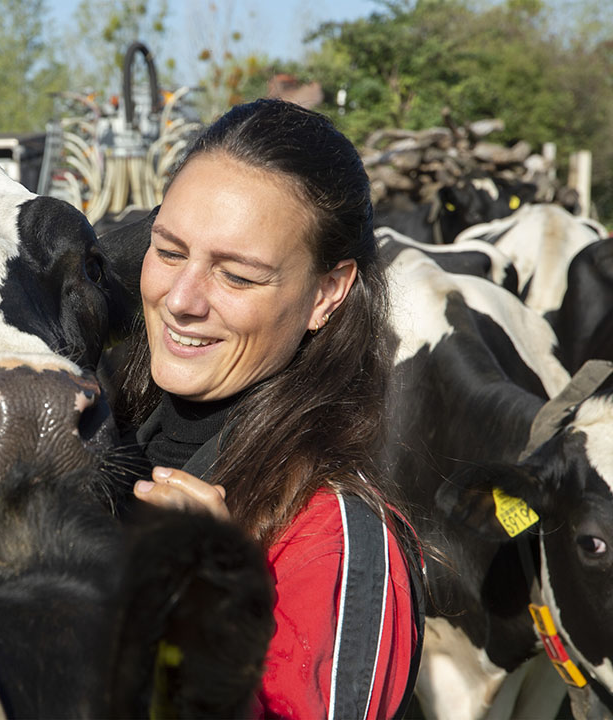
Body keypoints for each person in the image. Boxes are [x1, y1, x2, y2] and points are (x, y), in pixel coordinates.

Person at [114, 98, 423, 719]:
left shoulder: (338, 540)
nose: (181, 299)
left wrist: (215, 620)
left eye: (237, 276)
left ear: (326, 294)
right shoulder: (109, 445)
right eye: (169, 252)